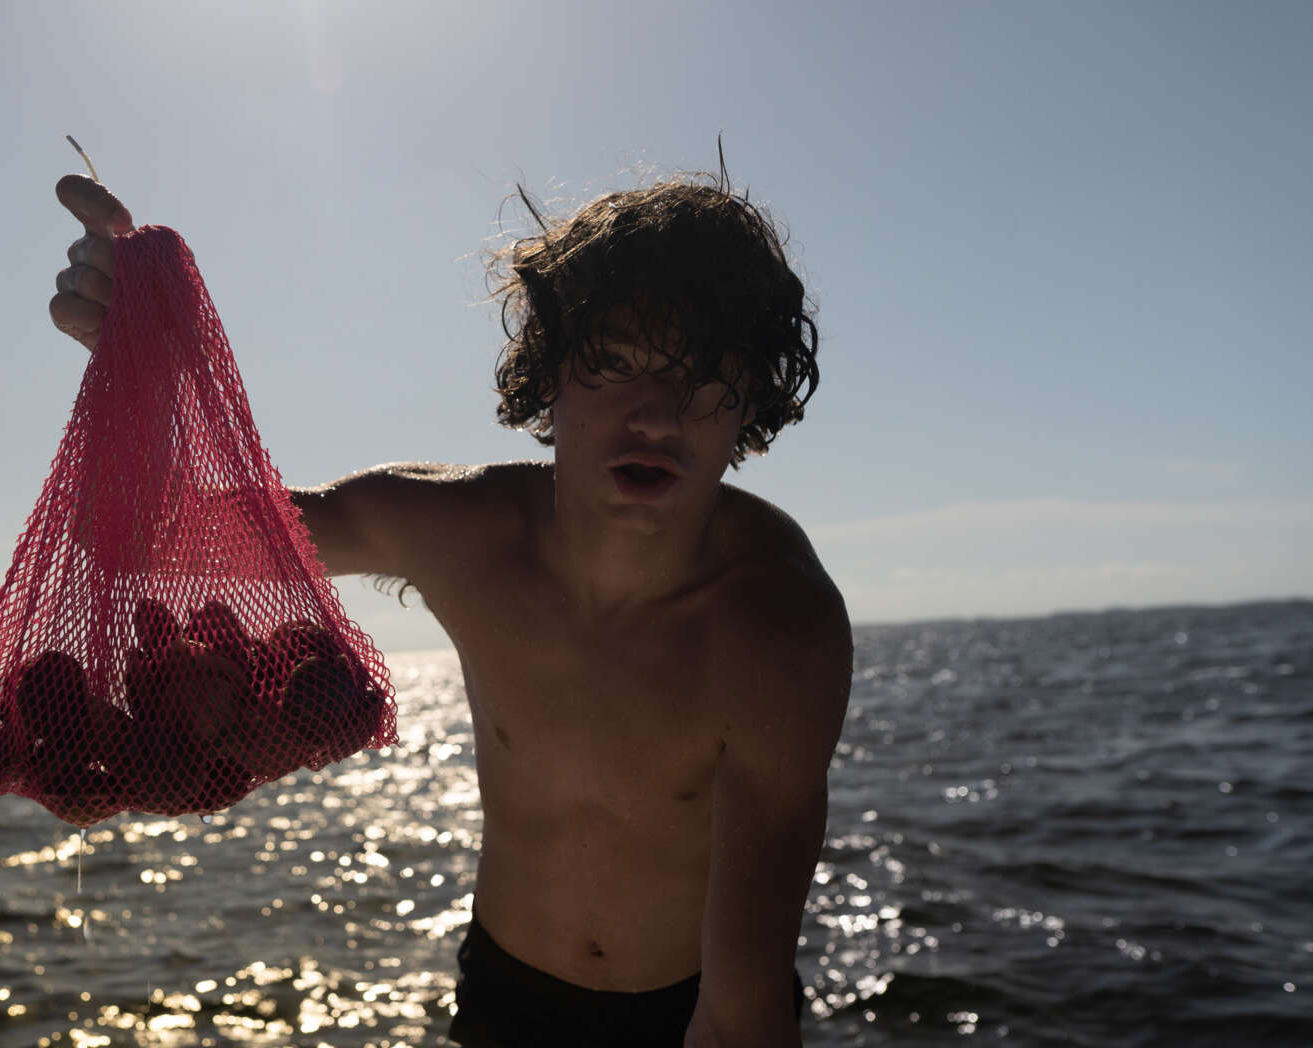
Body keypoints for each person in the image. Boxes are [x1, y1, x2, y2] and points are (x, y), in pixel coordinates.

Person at [50, 162, 851, 1048]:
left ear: (751, 402)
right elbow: (154, 541)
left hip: (689, 1011)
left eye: (701, 375)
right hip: (504, 997)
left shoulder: (777, 631)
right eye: (615, 361)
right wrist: (138, 362)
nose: (654, 414)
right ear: (552, 373)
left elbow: (741, 1012)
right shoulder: (455, 533)